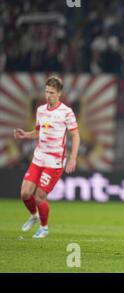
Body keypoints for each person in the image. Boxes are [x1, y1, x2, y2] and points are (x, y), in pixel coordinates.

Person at [14, 76, 80, 238]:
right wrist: (25, 135)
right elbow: (37, 132)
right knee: (25, 194)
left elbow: (76, 135)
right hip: (38, 158)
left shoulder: (66, 112)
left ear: (59, 93)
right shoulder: (41, 110)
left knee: (39, 197)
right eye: (46, 92)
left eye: (51, 92)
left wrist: (72, 158)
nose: (48, 95)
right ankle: (34, 216)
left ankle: (44, 227)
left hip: (54, 161)